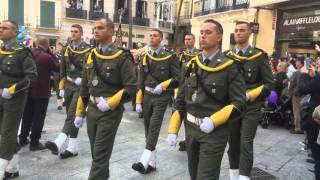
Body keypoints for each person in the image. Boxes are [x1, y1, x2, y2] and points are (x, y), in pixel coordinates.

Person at [167, 19, 246, 180]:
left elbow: (239, 103)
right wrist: (173, 129)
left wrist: (214, 120)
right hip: (191, 129)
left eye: (208, 32)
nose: (203, 35)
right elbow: (180, 100)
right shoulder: (189, 65)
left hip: (214, 132)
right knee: (194, 175)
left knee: (206, 176)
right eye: (201, 32)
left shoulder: (230, 66)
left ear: (219, 37)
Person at [74, 17, 136, 179]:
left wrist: (110, 103)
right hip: (92, 110)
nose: (96, 30)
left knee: (100, 154)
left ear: (111, 31)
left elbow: (131, 88)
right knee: (97, 153)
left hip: (110, 112)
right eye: (95, 28)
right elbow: (85, 88)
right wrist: (79, 112)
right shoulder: (91, 55)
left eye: (100, 28)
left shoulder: (122, 56)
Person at [225, 21, 274, 180]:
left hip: (251, 107)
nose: (238, 33)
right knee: (233, 144)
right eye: (236, 30)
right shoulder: (226, 56)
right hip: (232, 107)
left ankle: (244, 177)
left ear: (250, 33)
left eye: (242, 30)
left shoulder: (259, 56)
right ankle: (234, 176)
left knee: (246, 144)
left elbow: (269, 84)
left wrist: (249, 95)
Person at [131, 29, 180, 174]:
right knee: (147, 128)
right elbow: (140, 80)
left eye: (155, 36)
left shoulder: (170, 56)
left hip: (162, 96)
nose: (152, 38)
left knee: (154, 126)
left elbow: (178, 78)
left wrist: (163, 86)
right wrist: (138, 101)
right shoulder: (145, 56)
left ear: (161, 38)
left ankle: (143, 160)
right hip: (147, 95)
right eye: (150, 35)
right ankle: (152, 163)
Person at [45, 24, 91, 159]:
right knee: (74, 118)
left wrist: (83, 80)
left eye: (76, 31)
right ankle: (73, 148)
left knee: (72, 114)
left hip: (81, 88)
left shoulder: (88, 50)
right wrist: (61, 86)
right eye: (72, 31)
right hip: (69, 86)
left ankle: (59, 142)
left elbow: (91, 71)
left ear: (81, 34)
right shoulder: (67, 49)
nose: (73, 34)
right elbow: (62, 71)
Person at [0, 20, 37, 179]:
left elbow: (32, 76)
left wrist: (12, 90)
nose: (0, 30)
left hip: (14, 98)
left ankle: (1, 168)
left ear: (15, 32)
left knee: (7, 133)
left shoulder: (23, 52)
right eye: (0, 27)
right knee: (3, 132)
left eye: (5, 28)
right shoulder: (1, 51)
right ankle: (13, 167)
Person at [19, 37, 60, 151]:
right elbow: (57, 67)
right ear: (47, 45)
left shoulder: (28, 53)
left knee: (26, 116)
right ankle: (34, 142)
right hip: (41, 92)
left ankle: (22, 139)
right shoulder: (46, 57)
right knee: (38, 118)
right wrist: (51, 53)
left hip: (28, 90)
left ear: (36, 43)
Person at [177, 33, 201, 151]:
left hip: (194, 89)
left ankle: (191, 140)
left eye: (189, 39)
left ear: (194, 40)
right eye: (185, 39)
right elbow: (179, 73)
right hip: (183, 88)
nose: (187, 41)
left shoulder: (199, 54)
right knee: (182, 114)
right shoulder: (182, 55)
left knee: (192, 115)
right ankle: (187, 139)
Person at [299, 62, 320, 180]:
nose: (317, 62)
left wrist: (304, 75)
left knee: (316, 149)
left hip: (316, 118)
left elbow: (303, 88)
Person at [288, 56, 304, 134]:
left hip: (297, 95)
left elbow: (298, 84)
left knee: (297, 111)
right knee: (298, 111)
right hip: (298, 94)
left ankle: (297, 128)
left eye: (297, 61)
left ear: (301, 63)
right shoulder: (300, 71)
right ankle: (297, 126)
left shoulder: (299, 72)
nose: (296, 62)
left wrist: (294, 92)